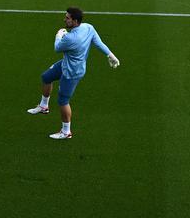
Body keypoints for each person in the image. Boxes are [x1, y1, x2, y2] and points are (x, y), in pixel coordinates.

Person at [27, 8, 120, 140]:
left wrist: (59, 35)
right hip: (66, 63)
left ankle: (66, 132)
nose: (65, 19)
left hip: (72, 72)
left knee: (63, 101)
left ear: (75, 21)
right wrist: (110, 54)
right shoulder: (88, 28)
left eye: (67, 18)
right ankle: (43, 106)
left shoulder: (70, 38)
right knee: (46, 77)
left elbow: (57, 47)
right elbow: (98, 43)